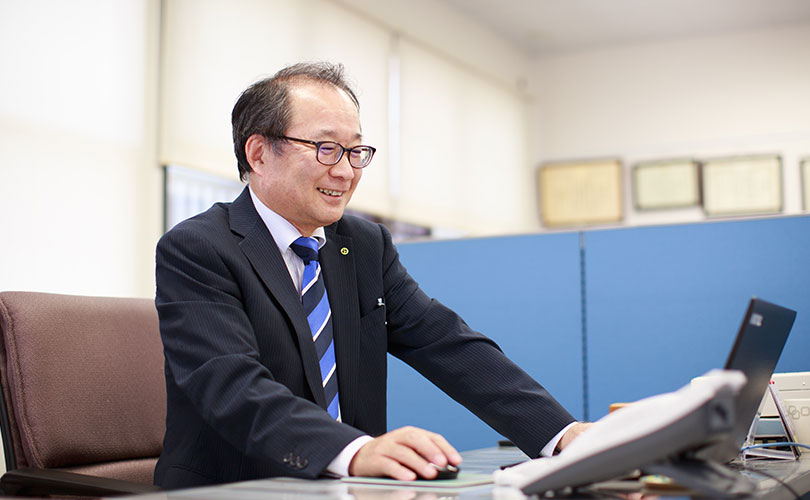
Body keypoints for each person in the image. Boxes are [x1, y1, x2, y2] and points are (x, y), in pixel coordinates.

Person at [154, 61, 589, 489]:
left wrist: (562, 435)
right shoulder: (199, 249)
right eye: (326, 148)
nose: (345, 171)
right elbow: (232, 387)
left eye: (355, 151)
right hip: (235, 488)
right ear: (259, 153)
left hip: (350, 489)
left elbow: (447, 343)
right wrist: (355, 452)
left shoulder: (362, 245)